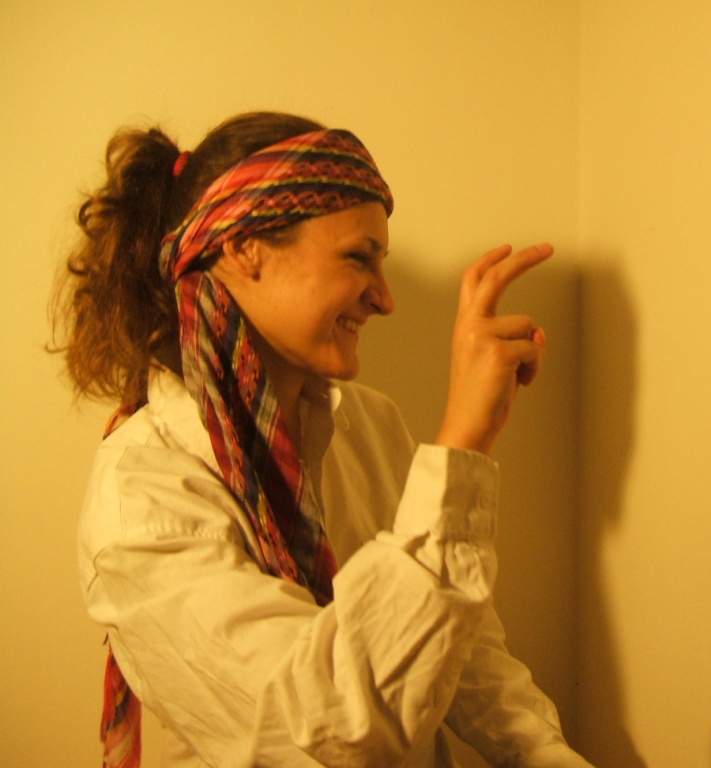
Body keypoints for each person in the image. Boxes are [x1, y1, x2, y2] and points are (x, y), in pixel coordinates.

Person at [53, 111, 593, 768]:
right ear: (242, 247)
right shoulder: (145, 493)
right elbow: (329, 729)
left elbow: (462, 652)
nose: (385, 299)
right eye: (359, 258)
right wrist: (464, 444)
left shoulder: (370, 424)